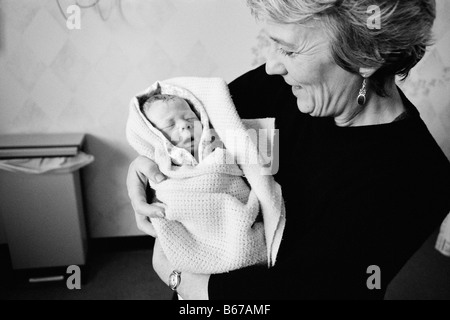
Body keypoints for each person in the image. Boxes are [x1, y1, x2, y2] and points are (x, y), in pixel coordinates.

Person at [126, 0, 450, 299]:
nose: (271, 66)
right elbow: (187, 140)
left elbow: (307, 292)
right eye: (274, 43)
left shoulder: (418, 177)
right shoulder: (279, 87)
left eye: (290, 50)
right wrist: (144, 166)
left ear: (367, 54)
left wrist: (178, 279)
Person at [126, 79, 284, 275]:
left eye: (190, 118)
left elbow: (252, 146)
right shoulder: (160, 165)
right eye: (170, 125)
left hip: (234, 219)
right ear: (153, 135)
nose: (184, 125)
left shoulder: (220, 142)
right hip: (191, 228)